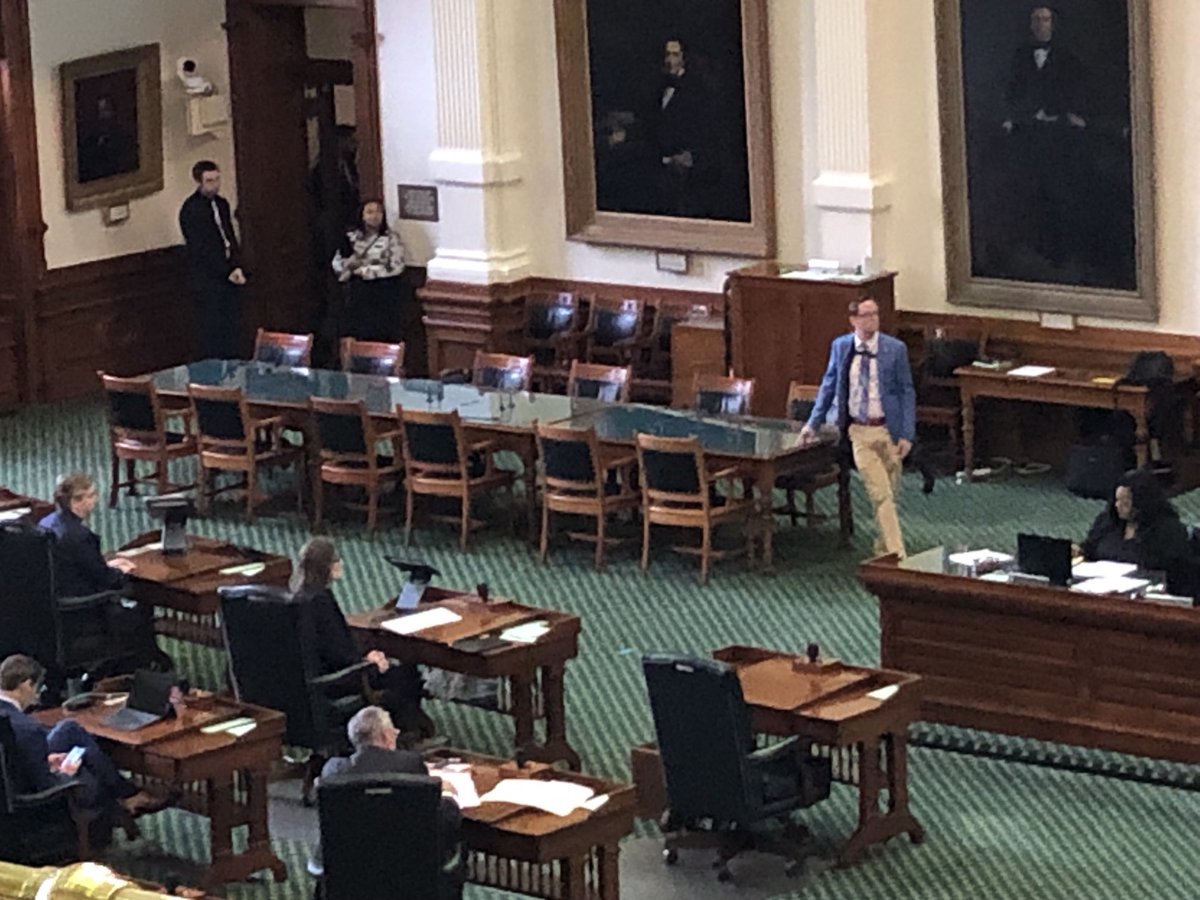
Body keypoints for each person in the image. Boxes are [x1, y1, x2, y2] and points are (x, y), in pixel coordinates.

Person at [800, 297, 916, 558]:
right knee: (881, 493)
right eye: (865, 315)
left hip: (889, 430)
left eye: (875, 314)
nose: (871, 319)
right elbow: (828, 386)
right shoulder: (841, 348)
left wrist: (907, 434)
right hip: (859, 432)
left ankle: (882, 548)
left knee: (889, 496)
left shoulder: (895, 349)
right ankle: (898, 556)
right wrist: (813, 423)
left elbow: (906, 392)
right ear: (853, 320)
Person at [307, 706, 463, 898]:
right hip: (408, 873)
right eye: (394, 732)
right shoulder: (410, 765)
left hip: (349, 874)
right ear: (385, 736)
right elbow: (432, 815)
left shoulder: (333, 771)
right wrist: (449, 796)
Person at [290, 537, 432, 738]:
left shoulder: (298, 596)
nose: (341, 563)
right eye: (337, 559)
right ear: (327, 567)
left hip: (311, 676)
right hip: (336, 679)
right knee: (405, 675)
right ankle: (406, 730)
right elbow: (338, 653)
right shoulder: (321, 601)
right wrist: (367, 661)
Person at [0, 654, 168, 817]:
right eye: (38, 688)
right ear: (26, 684)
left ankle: (128, 794)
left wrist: (48, 759)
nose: (38, 696)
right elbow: (46, 783)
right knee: (88, 763)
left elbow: (16, 757)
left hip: (12, 779)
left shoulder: (12, 721)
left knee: (71, 732)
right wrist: (66, 772)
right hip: (32, 795)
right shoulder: (28, 729)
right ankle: (127, 797)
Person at [1001, 6, 1088, 269]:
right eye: (1037, 20)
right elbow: (1012, 92)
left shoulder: (1066, 58)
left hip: (1058, 133)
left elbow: (1073, 92)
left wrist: (1067, 115)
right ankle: (1036, 247)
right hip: (1030, 133)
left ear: (1054, 24)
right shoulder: (1020, 56)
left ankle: (1061, 251)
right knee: (1031, 193)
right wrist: (1014, 118)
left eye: (1046, 19)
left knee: (1059, 193)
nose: (1041, 25)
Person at [179, 160, 246, 360]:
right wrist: (225, 270)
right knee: (212, 328)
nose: (214, 185)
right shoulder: (191, 210)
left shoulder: (222, 204)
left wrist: (236, 264)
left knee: (232, 325)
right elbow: (201, 248)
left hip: (228, 273)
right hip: (207, 279)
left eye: (217, 179)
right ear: (199, 182)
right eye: (209, 181)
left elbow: (229, 236)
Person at [38, 472, 136, 598]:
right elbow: (106, 579)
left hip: (56, 591)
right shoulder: (81, 537)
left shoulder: (45, 522)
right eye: (91, 495)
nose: (95, 500)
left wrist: (109, 565)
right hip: (80, 599)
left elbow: (80, 563)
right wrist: (122, 572)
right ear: (75, 502)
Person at [1081, 469, 1189, 576]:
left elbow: (1169, 568)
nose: (1118, 506)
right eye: (1117, 500)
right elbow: (1089, 550)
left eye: (1126, 503)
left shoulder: (1168, 530)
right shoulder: (1107, 522)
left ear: (1142, 503)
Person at [331, 199, 406, 343]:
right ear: (362, 215)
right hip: (356, 292)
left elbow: (397, 266)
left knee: (379, 334)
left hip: (381, 292)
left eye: (379, 212)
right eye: (370, 212)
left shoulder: (391, 238)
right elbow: (337, 262)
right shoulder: (350, 238)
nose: (375, 216)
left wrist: (366, 271)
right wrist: (348, 265)